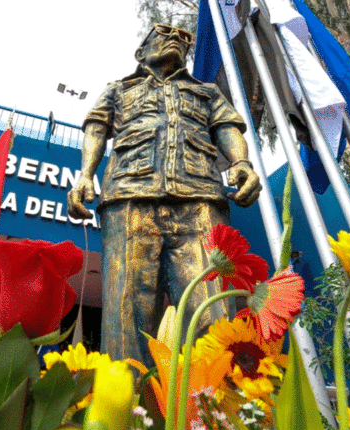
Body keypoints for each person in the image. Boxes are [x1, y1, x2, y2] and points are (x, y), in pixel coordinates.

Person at [66, 24, 261, 365]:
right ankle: (126, 406)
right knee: (128, 312)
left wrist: (241, 161)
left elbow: (227, 128)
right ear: (140, 53)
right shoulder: (118, 90)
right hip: (130, 198)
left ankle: (213, 410)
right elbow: (96, 127)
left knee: (211, 310)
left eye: (184, 38)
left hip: (199, 198)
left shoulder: (207, 91)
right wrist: (85, 175)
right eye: (163, 32)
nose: (176, 38)